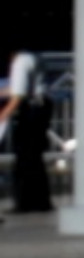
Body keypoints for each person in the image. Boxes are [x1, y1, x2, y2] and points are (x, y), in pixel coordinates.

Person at [4, 49, 46, 215]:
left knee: (24, 157)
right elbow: (18, 88)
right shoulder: (35, 57)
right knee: (35, 158)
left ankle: (24, 202)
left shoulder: (20, 62)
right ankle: (41, 201)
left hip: (31, 110)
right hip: (41, 107)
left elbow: (18, 95)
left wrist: (3, 114)